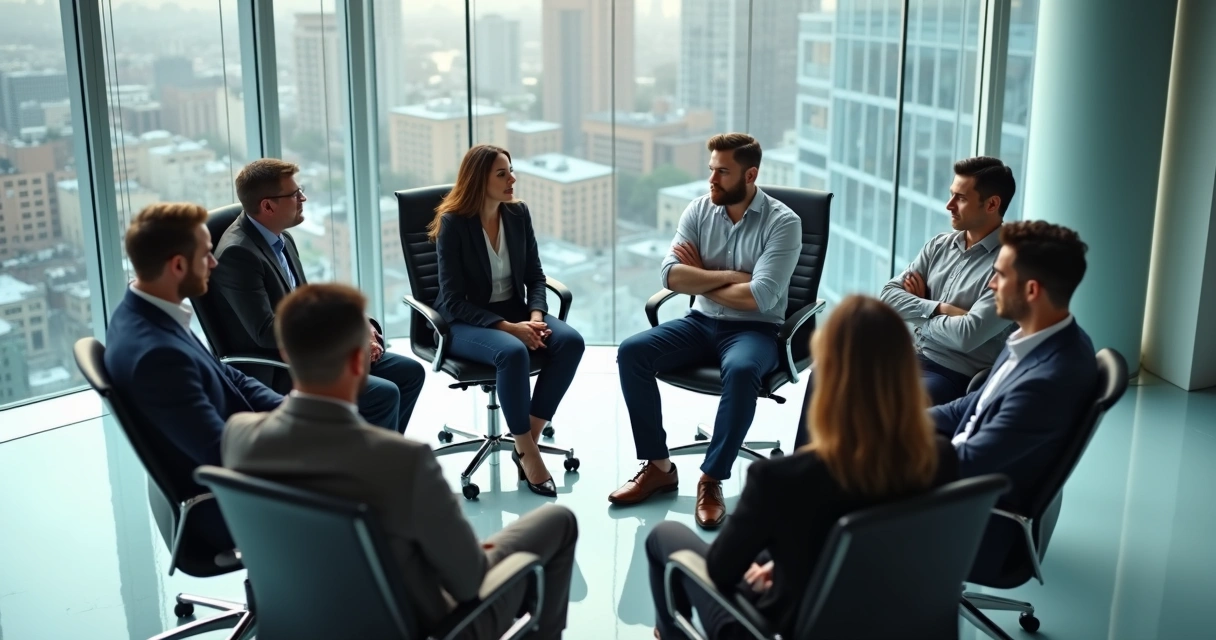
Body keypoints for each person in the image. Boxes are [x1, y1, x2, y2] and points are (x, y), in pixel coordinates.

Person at [222, 284, 578, 640]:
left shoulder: (239, 437)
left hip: (302, 618)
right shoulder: (404, 462)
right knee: (558, 521)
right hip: (424, 626)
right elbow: (469, 581)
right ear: (359, 361)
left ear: (285, 352)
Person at [645, 295, 959, 639]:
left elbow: (721, 572)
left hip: (779, 626)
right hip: (894, 623)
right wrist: (778, 566)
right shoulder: (940, 457)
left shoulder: (782, 479)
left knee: (664, 537)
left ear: (831, 380)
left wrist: (771, 571)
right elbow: (878, 543)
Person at [609, 133, 801, 529]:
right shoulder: (698, 210)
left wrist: (700, 278)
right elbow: (670, 275)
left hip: (755, 331)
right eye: (711, 170)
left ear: (750, 175)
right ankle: (659, 467)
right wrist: (730, 277)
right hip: (700, 323)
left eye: (723, 172)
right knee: (632, 352)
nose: (712, 180)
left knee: (745, 370)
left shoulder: (784, 223)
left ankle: (712, 478)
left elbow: (761, 297)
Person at [793, 156, 1018, 450]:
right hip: (907, 354)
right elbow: (888, 296)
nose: (949, 205)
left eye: (960, 198)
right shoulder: (939, 245)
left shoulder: (1010, 265)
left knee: (888, 405)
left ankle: (859, 485)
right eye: (951, 194)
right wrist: (939, 308)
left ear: (991, 205)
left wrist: (919, 306)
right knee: (825, 373)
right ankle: (803, 469)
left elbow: (967, 336)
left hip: (952, 374)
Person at [104, 202, 283, 550]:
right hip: (222, 505)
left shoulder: (144, 310)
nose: (214, 264)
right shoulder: (158, 356)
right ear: (178, 265)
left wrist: (285, 408)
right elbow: (221, 455)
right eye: (207, 255)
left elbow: (226, 374)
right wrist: (295, 438)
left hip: (231, 463)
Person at [209, 158, 424, 434]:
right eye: (295, 194)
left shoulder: (281, 238)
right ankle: (366, 468)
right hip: (281, 368)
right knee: (383, 393)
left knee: (408, 373)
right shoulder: (237, 254)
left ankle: (373, 458)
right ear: (268, 206)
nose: (304, 198)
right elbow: (265, 331)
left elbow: (305, 304)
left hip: (311, 351)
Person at [932, 220, 1096, 581]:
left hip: (973, 519)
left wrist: (886, 450)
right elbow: (970, 406)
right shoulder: (1037, 336)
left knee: (829, 494)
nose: (990, 285)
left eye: (1000, 276)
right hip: (962, 473)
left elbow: (969, 464)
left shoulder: (1048, 381)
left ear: (1032, 290)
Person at [430, 144, 586, 497]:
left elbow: (535, 275)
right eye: (502, 173)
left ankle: (525, 439)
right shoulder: (453, 224)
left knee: (570, 342)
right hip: (464, 322)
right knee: (513, 352)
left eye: (511, 170)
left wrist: (534, 317)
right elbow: (452, 300)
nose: (512, 178)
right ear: (478, 180)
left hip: (517, 313)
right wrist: (509, 329)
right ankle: (529, 453)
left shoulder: (517, 214)